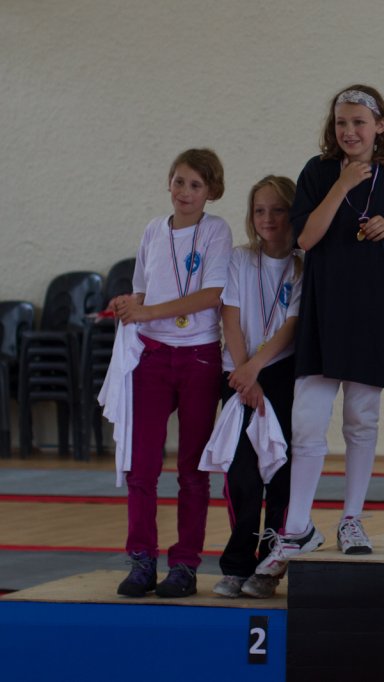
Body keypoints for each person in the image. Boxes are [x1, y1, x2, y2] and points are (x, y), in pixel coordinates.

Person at [253, 85, 384, 579]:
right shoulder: (316, 172)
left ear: (380, 126)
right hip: (323, 313)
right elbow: (306, 238)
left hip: (374, 316)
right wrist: (342, 184)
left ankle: (352, 519)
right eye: (340, 123)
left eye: (358, 122)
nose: (349, 131)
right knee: (308, 420)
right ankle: (297, 527)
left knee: (361, 419)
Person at [110, 148, 232, 598]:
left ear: (211, 192)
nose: (185, 192)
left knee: (192, 468)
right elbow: (142, 292)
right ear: (168, 182)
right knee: (141, 464)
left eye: (196, 185)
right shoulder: (152, 230)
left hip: (199, 355)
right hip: (153, 356)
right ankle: (142, 558)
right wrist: (130, 306)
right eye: (179, 181)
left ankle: (184, 564)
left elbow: (212, 294)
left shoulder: (216, 231)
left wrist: (148, 311)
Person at [209, 176, 302, 599]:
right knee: (242, 473)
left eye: (277, 210)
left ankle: (269, 566)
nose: (268, 218)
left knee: (280, 472)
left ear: (293, 214)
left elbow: (291, 325)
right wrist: (245, 372)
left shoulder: (302, 265)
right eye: (260, 210)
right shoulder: (239, 259)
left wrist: (257, 370)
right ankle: (237, 564)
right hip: (237, 373)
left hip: (280, 374)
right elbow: (230, 317)